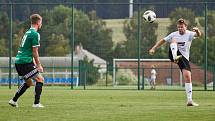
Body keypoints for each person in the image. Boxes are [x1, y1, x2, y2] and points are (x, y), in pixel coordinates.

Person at [149, 18, 201, 106]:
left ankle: (189, 100)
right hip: (174, 55)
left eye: (182, 27)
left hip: (183, 58)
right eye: (179, 27)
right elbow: (163, 40)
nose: (180, 28)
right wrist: (153, 48)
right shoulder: (174, 34)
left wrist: (197, 30)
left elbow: (199, 35)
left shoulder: (189, 34)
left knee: (188, 77)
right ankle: (175, 56)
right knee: (173, 40)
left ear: (185, 27)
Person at [9, 14, 44, 108]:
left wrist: (34, 64)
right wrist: (39, 65)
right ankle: (36, 103)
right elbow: (35, 52)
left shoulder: (28, 32)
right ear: (38, 22)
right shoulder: (35, 34)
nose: (41, 24)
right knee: (40, 79)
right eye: (41, 22)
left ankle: (13, 100)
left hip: (18, 61)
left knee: (29, 83)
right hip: (25, 62)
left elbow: (29, 51)